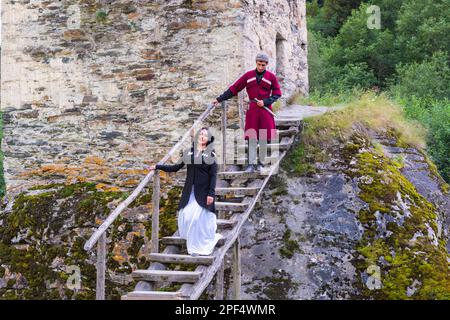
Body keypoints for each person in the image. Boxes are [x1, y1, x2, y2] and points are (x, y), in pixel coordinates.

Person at [149, 127, 222, 256]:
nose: (202, 136)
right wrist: (157, 166)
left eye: (205, 135)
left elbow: (213, 175)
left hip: (203, 192)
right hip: (190, 192)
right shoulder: (188, 153)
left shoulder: (211, 155)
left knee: (196, 218)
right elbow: (175, 167)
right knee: (186, 215)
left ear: (208, 139)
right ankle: (193, 240)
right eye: (201, 134)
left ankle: (197, 247)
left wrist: (211, 193)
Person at [213, 52, 282, 172]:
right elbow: (234, 88)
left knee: (264, 137)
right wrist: (220, 99)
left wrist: (265, 102)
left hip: (265, 110)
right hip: (253, 110)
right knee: (251, 137)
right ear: (256, 63)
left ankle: (261, 163)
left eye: (263, 65)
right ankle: (250, 164)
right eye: (259, 64)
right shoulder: (248, 76)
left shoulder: (271, 77)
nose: (261, 67)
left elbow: (277, 94)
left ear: (267, 64)